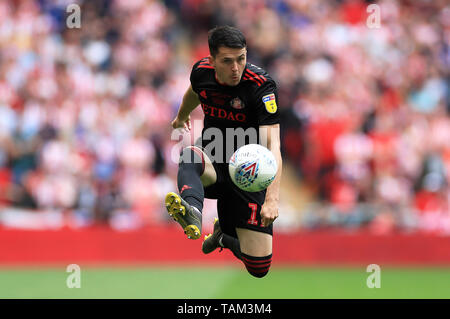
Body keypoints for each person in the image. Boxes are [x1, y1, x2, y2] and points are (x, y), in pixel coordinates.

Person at [165, 25, 282, 278]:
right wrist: (181, 116)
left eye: (241, 59)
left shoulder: (261, 87)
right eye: (227, 61)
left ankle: (224, 237)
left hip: (250, 172)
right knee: (188, 156)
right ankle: (192, 211)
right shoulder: (201, 72)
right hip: (215, 159)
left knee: (259, 268)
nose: (236, 68)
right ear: (212, 60)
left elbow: (274, 146)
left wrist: (272, 199)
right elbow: (195, 93)